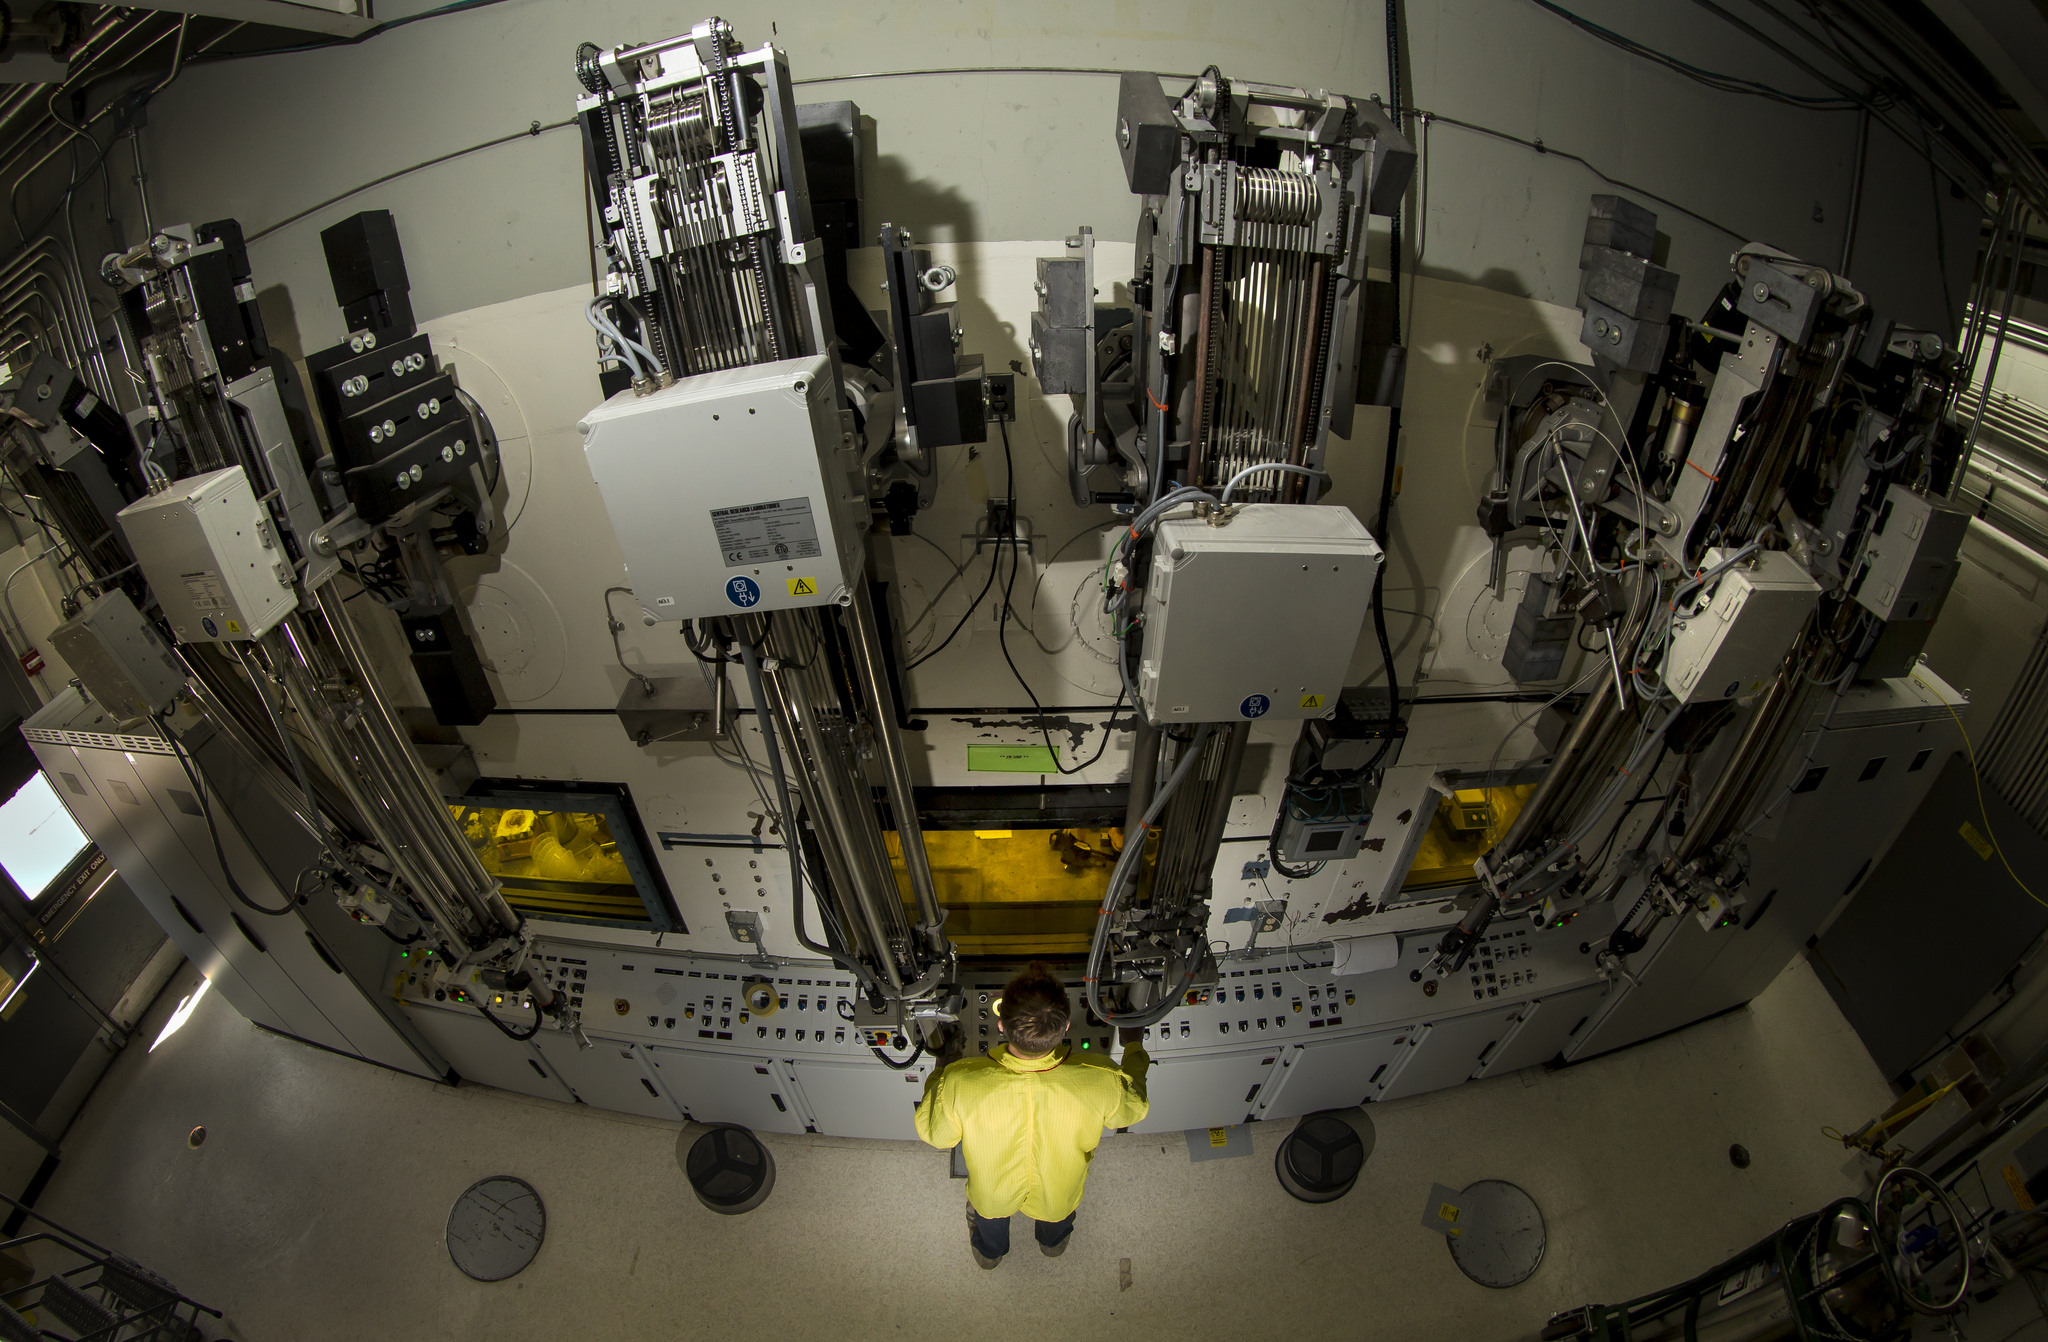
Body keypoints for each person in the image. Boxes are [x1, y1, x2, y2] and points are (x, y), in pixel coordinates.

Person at [913, 962, 1149, 1268]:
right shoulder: (1102, 1078)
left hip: (992, 1192)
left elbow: (935, 1134)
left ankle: (990, 1253)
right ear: (1065, 1026)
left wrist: (943, 1066)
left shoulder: (959, 1082)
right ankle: (1052, 1244)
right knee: (1056, 1215)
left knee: (989, 1214)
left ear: (1001, 1024)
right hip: (1059, 1191)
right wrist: (1133, 1043)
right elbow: (1135, 1107)